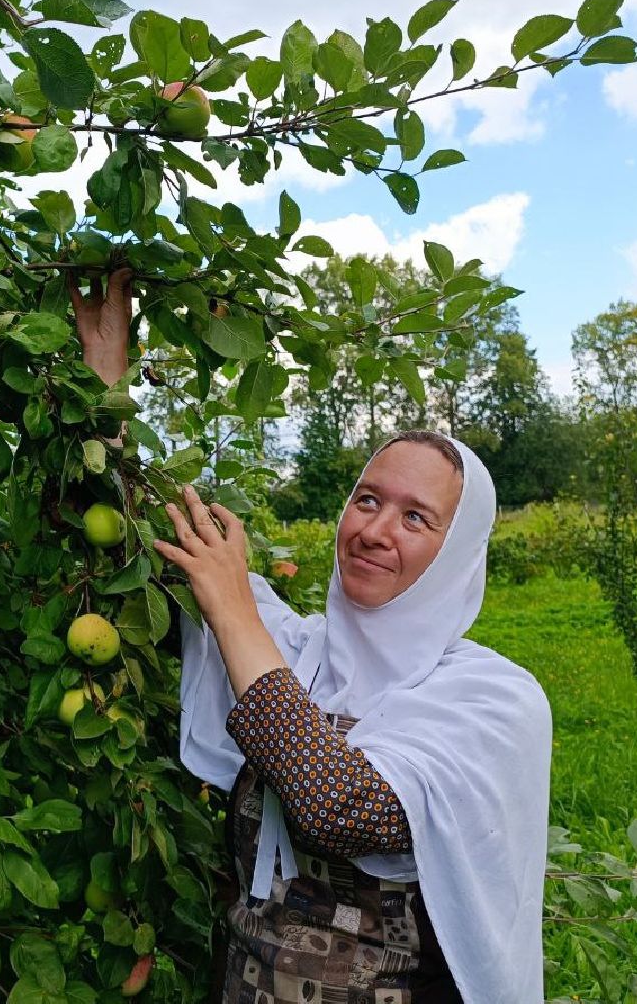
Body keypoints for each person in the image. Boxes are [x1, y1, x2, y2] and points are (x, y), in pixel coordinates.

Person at [70, 269, 553, 1004]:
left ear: (458, 553)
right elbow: (141, 542)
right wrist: (107, 394)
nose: (375, 531)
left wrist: (234, 609)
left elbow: (339, 807)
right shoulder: (296, 650)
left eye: (416, 517)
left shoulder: (491, 701)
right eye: (367, 500)